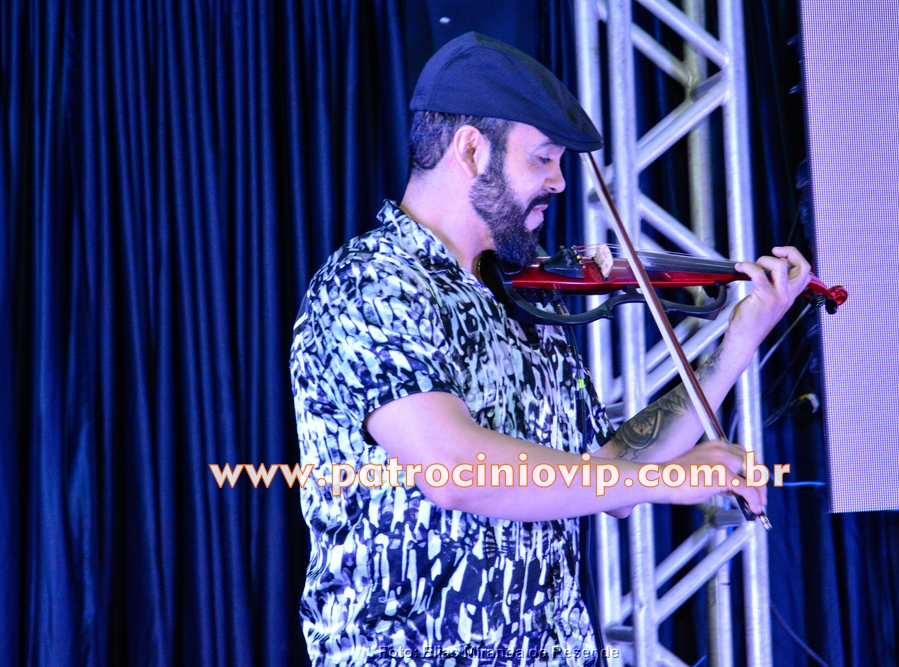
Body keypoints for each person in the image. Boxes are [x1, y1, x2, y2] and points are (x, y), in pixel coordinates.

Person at [290, 32, 810, 667]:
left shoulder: (524, 301)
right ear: (471, 150)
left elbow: (608, 472)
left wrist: (738, 343)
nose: (559, 182)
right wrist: (661, 479)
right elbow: (456, 469)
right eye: (543, 159)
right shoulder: (372, 284)